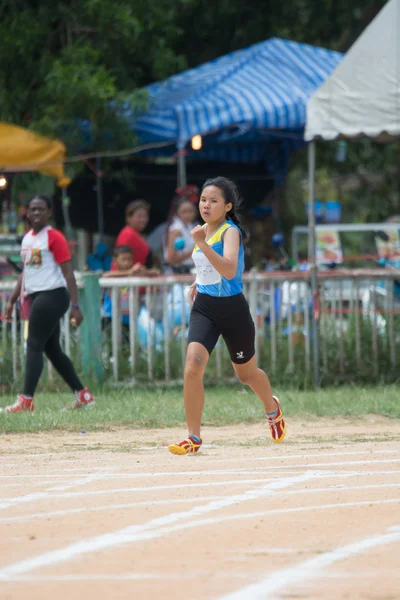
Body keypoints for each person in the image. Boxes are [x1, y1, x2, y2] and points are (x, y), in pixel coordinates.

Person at [168, 177, 286, 455]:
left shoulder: (229, 231)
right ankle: (193, 438)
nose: (206, 205)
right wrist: (198, 282)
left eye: (213, 201)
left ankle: (272, 408)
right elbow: (207, 267)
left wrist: (202, 244)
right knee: (192, 366)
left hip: (232, 309)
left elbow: (230, 270)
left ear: (227, 206)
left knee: (246, 375)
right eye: (203, 200)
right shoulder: (202, 231)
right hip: (205, 307)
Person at [1, 195, 95, 413]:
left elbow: (68, 272)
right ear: (27, 212)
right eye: (32, 209)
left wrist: (75, 305)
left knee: (33, 344)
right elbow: (26, 272)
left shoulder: (53, 237)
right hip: (36, 296)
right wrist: (12, 300)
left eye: (41, 209)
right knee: (51, 349)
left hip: (52, 295)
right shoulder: (28, 239)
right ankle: (84, 395)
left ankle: (26, 400)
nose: (36, 213)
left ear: (49, 212)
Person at [163, 197, 198, 274]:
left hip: (190, 269)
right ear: (177, 213)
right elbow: (170, 259)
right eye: (184, 212)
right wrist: (193, 251)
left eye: (190, 211)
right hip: (178, 271)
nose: (187, 215)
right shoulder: (176, 230)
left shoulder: (190, 226)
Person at [114, 200, 153, 269]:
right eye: (139, 216)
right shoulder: (127, 234)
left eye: (145, 216)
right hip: (126, 277)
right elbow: (121, 261)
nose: (143, 220)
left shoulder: (136, 234)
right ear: (128, 218)